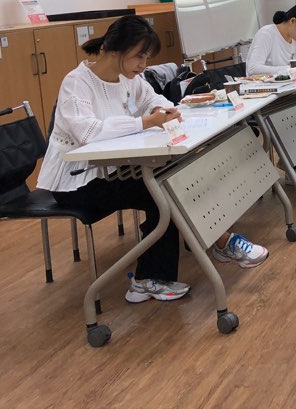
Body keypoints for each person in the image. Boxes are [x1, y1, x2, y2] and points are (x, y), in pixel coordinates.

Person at [37, 16, 268, 304]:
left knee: (175, 180)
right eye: (139, 56)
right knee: (163, 192)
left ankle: (210, 244)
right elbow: (88, 132)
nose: (143, 64)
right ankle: (160, 273)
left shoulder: (129, 78)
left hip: (114, 170)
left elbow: (155, 101)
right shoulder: (77, 82)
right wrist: (145, 122)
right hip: (77, 183)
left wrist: (165, 111)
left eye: (146, 57)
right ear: (113, 50)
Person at [246, 2, 296, 187]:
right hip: (265, 96)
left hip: (287, 92)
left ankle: (292, 163)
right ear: (292, 21)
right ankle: (292, 167)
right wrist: (290, 70)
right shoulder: (267, 34)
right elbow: (253, 69)